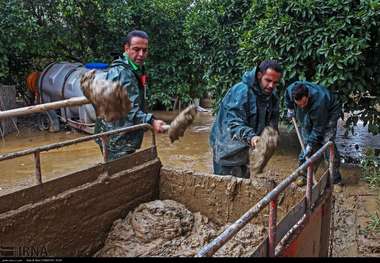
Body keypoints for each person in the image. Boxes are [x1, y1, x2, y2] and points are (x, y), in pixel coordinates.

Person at [94, 30, 166, 160]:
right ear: (126, 48)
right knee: (119, 173)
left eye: (145, 50)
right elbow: (129, 109)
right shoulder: (122, 73)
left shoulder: (135, 69)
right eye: (136, 49)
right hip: (115, 137)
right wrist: (151, 121)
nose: (141, 54)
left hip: (122, 133)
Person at [209, 60, 283, 178]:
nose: (271, 86)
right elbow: (234, 123)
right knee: (225, 187)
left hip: (248, 150)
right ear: (259, 75)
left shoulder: (272, 97)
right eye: (268, 80)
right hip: (227, 149)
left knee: (244, 185)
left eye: (275, 83)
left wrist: (271, 138)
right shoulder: (241, 91)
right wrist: (252, 137)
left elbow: (272, 125)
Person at [285, 81, 343, 186]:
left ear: (308, 96)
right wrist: (290, 108)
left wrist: (311, 144)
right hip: (311, 111)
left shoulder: (319, 101)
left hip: (329, 111)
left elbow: (318, 128)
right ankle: (304, 175)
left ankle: (335, 179)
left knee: (326, 142)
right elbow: (288, 97)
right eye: (299, 104)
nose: (302, 106)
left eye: (304, 103)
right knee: (306, 142)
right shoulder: (291, 90)